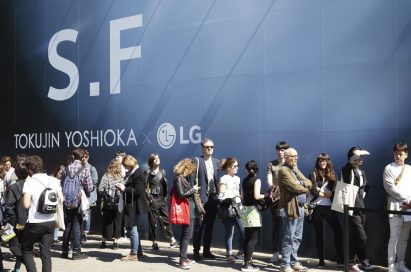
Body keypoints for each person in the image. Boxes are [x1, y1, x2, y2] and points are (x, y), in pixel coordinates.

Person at [21, 155, 62, 272]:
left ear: (29, 168)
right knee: (46, 252)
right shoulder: (53, 180)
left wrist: (24, 197)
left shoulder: (29, 182)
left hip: (35, 222)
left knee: (26, 249)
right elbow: (61, 198)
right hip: (50, 221)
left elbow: (26, 204)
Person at [278, 148, 312, 272]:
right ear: (286, 157)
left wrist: (303, 183)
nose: (295, 158)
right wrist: (304, 186)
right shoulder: (283, 170)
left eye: (296, 156)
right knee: (289, 236)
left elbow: (309, 182)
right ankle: (284, 264)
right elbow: (295, 187)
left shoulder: (295, 169)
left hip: (301, 207)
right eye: (292, 156)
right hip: (291, 208)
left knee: (297, 236)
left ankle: (293, 261)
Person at [341, 147, 374, 271]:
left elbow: (366, 187)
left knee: (356, 236)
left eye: (361, 157)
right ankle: (354, 261)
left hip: (361, 207)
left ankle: (355, 262)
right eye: (356, 157)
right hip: (351, 208)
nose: (360, 159)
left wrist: (361, 197)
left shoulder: (362, 172)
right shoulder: (346, 169)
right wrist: (352, 163)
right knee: (362, 237)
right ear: (351, 158)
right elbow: (348, 181)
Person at [308, 153, 343, 268]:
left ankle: (340, 259)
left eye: (324, 161)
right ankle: (321, 261)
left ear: (328, 162)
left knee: (338, 232)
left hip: (329, 208)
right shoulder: (312, 174)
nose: (322, 163)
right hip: (317, 207)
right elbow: (313, 190)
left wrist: (323, 192)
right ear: (318, 162)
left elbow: (335, 192)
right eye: (320, 161)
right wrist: (325, 193)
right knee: (319, 235)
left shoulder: (333, 174)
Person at [116, 155, 149, 261]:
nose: (125, 168)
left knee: (132, 228)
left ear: (130, 164)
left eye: (126, 166)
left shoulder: (138, 173)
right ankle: (138, 252)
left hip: (136, 205)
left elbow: (138, 191)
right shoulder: (133, 173)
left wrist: (124, 188)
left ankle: (134, 253)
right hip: (133, 205)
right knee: (133, 228)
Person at [383, 143, 411, 272]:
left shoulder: (409, 168)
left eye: (400, 154)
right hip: (395, 206)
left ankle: (401, 263)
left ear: (406, 154)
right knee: (394, 237)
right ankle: (391, 265)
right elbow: (389, 187)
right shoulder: (389, 168)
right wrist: (406, 199)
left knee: (404, 237)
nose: (397, 156)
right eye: (395, 154)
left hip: (409, 208)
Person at [192, 138, 221, 261]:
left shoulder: (217, 162)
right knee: (199, 226)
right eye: (207, 147)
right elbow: (193, 179)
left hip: (213, 199)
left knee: (210, 226)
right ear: (202, 148)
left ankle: (207, 251)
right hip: (202, 199)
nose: (209, 149)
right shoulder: (197, 161)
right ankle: (196, 251)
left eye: (211, 147)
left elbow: (218, 180)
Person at [61, 148, 91, 260]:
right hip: (77, 201)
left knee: (67, 224)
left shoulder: (66, 168)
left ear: (73, 156)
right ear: (82, 157)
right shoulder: (85, 169)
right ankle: (76, 252)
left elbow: (62, 183)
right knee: (77, 225)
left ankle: (64, 251)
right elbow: (90, 187)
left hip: (66, 200)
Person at [171, 158, 200, 269]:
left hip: (189, 208)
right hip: (186, 208)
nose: (192, 172)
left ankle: (183, 256)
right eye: (192, 169)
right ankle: (182, 260)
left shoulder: (181, 178)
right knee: (187, 234)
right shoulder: (178, 178)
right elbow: (181, 195)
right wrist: (193, 189)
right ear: (187, 168)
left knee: (186, 234)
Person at [146, 153, 177, 250]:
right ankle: (154, 242)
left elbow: (165, 185)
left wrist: (165, 197)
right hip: (153, 200)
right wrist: (149, 197)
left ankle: (172, 240)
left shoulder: (163, 171)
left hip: (162, 199)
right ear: (151, 162)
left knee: (166, 220)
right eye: (155, 159)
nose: (157, 160)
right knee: (153, 222)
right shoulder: (147, 172)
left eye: (158, 158)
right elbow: (144, 187)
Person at [241, 160, 268, 272]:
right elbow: (257, 196)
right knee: (253, 239)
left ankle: (247, 261)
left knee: (247, 237)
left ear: (246, 169)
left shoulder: (244, 180)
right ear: (257, 169)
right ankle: (247, 265)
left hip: (245, 210)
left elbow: (242, 196)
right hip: (253, 211)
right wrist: (266, 195)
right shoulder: (257, 180)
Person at [3, 159, 29, 272]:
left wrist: (5, 222)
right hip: (25, 221)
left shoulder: (14, 186)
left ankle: (27, 262)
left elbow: (9, 206)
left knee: (12, 245)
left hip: (13, 221)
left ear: (17, 173)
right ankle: (17, 268)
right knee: (19, 244)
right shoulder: (30, 184)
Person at [218, 157, 245, 263]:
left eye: (238, 166)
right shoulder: (223, 178)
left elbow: (240, 193)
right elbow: (221, 195)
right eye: (235, 166)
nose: (237, 168)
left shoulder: (238, 179)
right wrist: (230, 196)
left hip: (238, 206)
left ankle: (241, 252)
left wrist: (239, 197)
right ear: (228, 167)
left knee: (243, 230)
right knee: (230, 232)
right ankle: (229, 254)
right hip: (228, 207)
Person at [267, 140, 289, 263]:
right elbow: (269, 180)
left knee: (288, 227)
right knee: (276, 226)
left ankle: (287, 254)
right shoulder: (272, 164)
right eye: (279, 150)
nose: (281, 152)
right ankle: (275, 252)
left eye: (283, 150)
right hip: (275, 200)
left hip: (288, 199)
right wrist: (272, 188)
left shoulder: (290, 164)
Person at [98, 158, 124, 249]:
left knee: (106, 222)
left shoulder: (106, 175)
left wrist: (107, 192)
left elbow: (100, 189)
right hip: (119, 203)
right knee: (117, 222)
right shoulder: (121, 177)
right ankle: (115, 243)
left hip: (108, 203)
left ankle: (103, 242)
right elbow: (124, 190)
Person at [81, 149, 99, 242]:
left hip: (88, 196)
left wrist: (86, 186)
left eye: (85, 157)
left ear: (88, 157)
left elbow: (95, 182)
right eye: (82, 157)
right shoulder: (78, 167)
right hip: (79, 196)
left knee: (86, 215)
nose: (84, 159)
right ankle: (80, 232)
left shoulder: (92, 168)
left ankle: (85, 233)